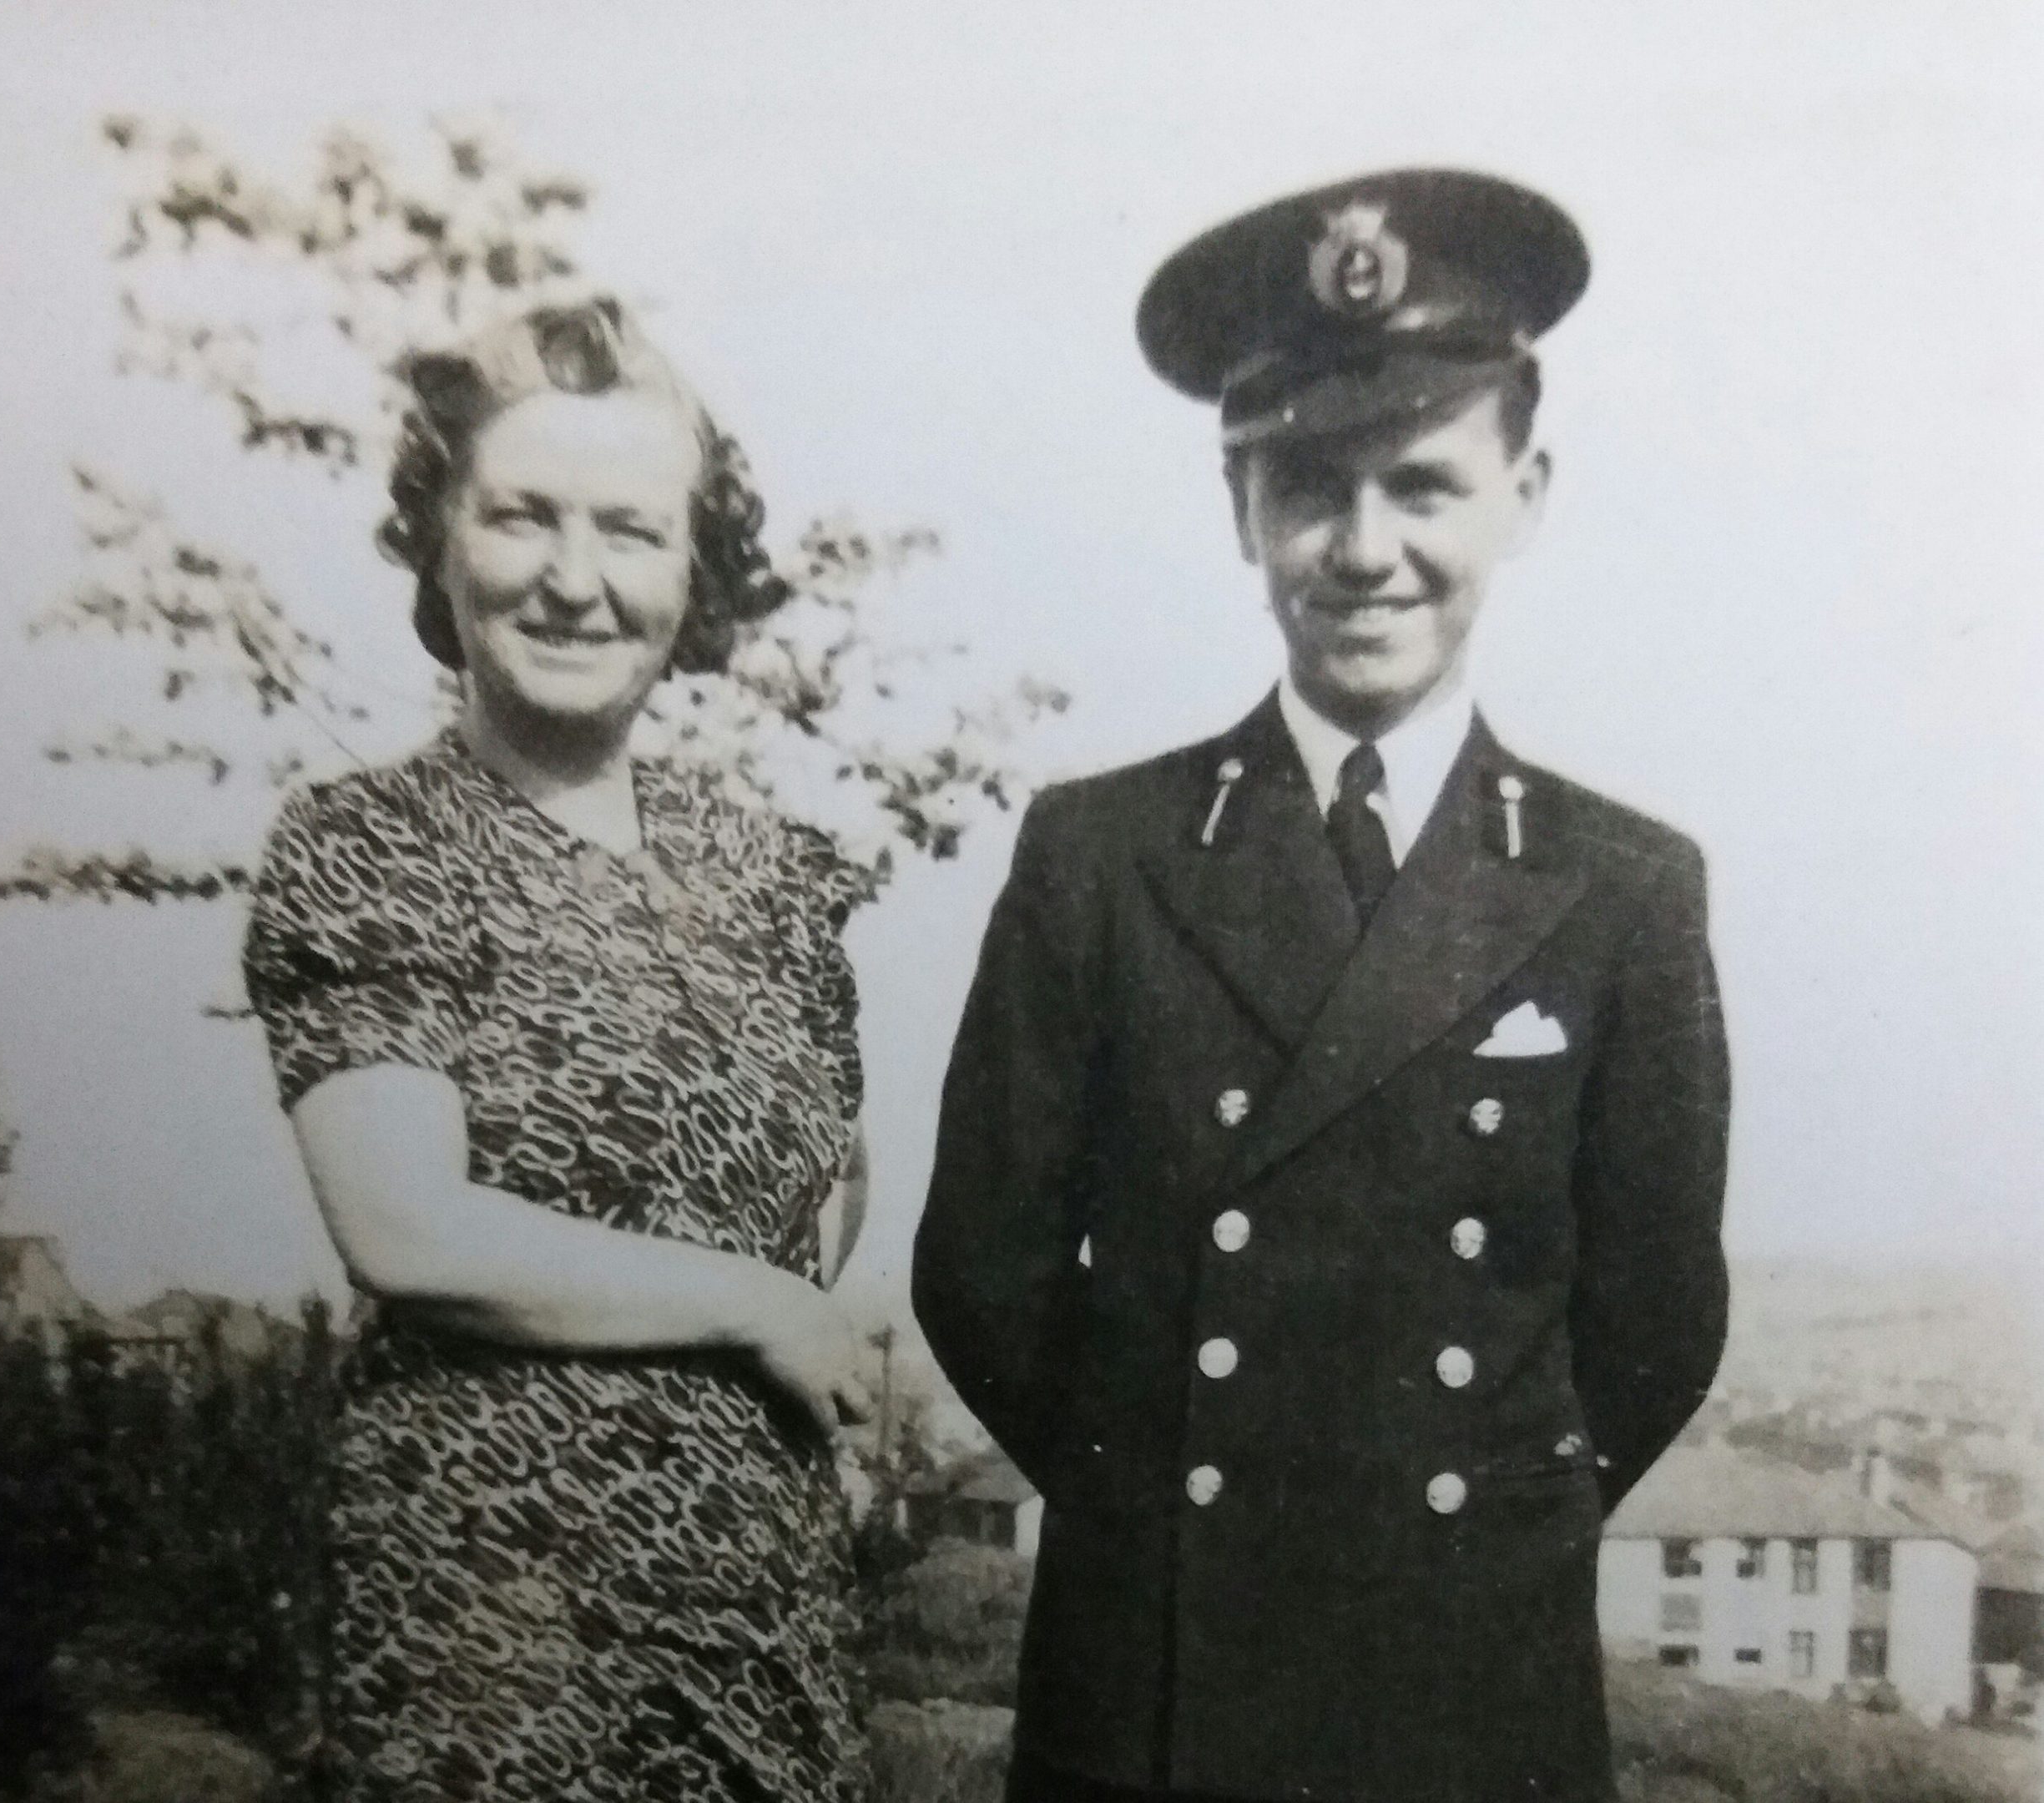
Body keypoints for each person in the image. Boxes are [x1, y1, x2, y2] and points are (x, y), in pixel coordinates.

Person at [912, 169, 1730, 1803]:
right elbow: (981, 1274)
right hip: (1155, 1686)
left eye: (1422, 485)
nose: (1365, 551)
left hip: (1471, 1687)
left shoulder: (1624, 887)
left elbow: (1654, 1321)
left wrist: (1475, 1517)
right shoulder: (1099, 853)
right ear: (1239, 510)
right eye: (1306, 488)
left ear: (1523, 494)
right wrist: (1160, 1501)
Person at [241, 295, 875, 1803]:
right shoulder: (371, 847)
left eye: (631, 532)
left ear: (693, 569)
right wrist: (742, 1307)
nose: (574, 582)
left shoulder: (774, 870)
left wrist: (772, 1320)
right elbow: (408, 1229)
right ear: (441, 540)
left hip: (765, 1610)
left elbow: (830, 1210)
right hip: (495, 1620)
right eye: (523, 517)